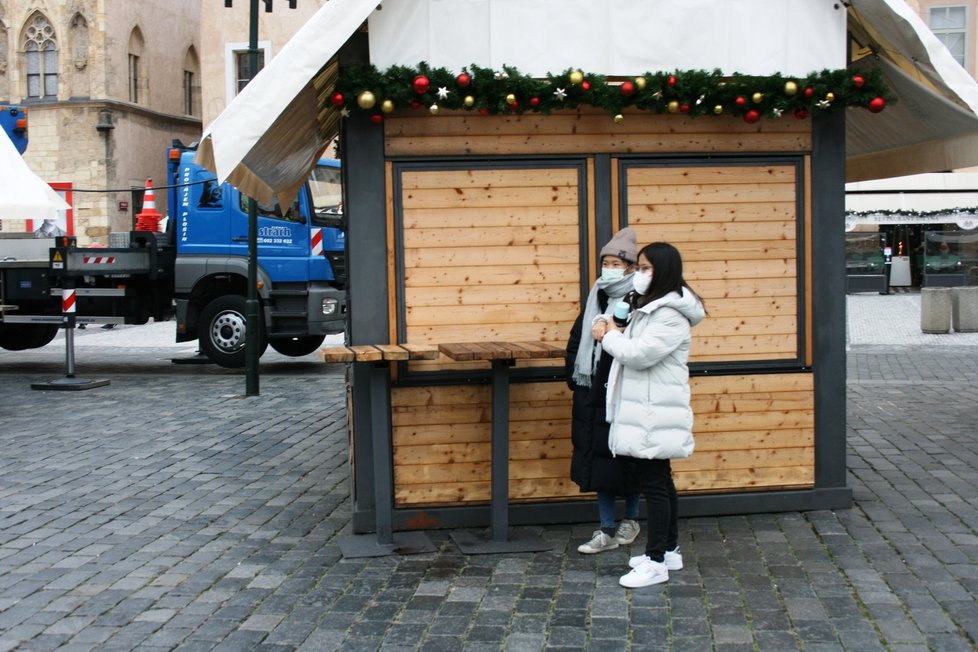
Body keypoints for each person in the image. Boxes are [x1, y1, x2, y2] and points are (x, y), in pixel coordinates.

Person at [592, 242, 705, 588]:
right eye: (637, 268)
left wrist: (608, 336)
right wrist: (609, 324)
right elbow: (623, 329)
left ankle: (655, 562)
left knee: (654, 485)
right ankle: (668, 549)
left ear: (664, 271)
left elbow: (638, 354)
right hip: (646, 406)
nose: (638, 274)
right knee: (659, 479)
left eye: (645, 268)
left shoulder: (669, 313)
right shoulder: (648, 306)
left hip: (655, 409)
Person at [566, 228, 643, 554]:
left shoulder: (638, 299)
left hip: (625, 391)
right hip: (592, 390)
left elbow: (640, 346)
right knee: (598, 460)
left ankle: (632, 519)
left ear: (629, 267)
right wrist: (576, 377)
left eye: (615, 262)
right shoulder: (595, 295)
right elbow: (575, 340)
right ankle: (606, 528)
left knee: (630, 457)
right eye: (605, 262)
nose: (608, 268)